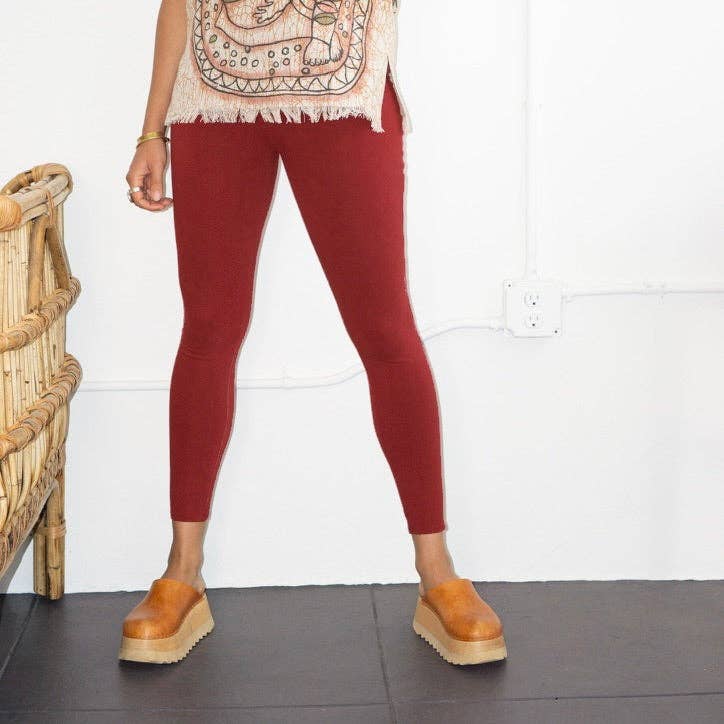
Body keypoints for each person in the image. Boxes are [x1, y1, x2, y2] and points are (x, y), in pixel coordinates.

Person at [119, 0, 506, 666]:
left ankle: (437, 572)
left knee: (384, 330)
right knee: (208, 328)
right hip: (213, 96)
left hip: (343, 90)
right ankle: (182, 571)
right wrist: (150, 130)